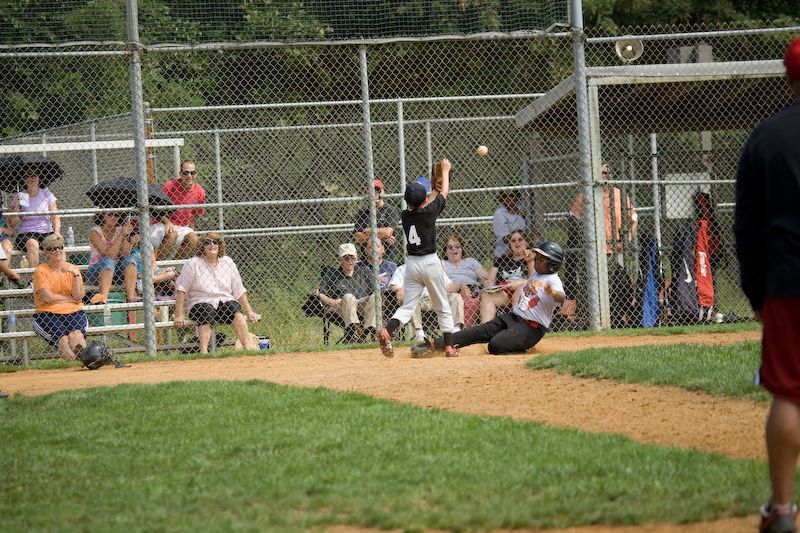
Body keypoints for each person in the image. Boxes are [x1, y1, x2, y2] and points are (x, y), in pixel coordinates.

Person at [734, 36, 800, 533]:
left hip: (789, 279)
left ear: (789, 78)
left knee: (789, 394)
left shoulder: (766, 137)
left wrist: (757, 292)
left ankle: (781, 510)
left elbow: (747, 226)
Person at [412, 241, 565, 357]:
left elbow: (561, 297)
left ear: (552, 265)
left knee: (494, 346)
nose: (537, 260)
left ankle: (522, 347)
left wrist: (552, 292)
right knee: (481, 331)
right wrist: (528, 266)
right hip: (514, 318)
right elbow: (531, 279)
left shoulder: (553, 281)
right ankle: (436, 345)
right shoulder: (538, 273)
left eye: (541, 259)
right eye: (537, 257)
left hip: (531, 329)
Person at [378, 161, 456, 358]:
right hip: (430, 262)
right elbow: (444, 193)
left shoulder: (405, 215)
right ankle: (449, 347)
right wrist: (445, 172)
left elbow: (429, 200)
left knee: (408, 306)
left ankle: (388, 331)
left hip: (412, 265)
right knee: (442, 305)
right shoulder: (429, 213)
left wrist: (433, 187)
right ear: (425, 200)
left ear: (407, 201)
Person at [173, 232, 261, 354]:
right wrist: (179, 314)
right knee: (206, 310)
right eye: (207, 242)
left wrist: (249, 311)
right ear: (202, 246)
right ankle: (204, 352)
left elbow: (239, 289)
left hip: (223, 302)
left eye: (215, 242)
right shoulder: (193, 263)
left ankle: (247, 346)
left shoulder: (227, 262)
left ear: (220, 245)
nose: (212, 245)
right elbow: (181, 289)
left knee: (234, 308)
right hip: (200, 302)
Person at [31, 234, 87, 361]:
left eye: (60, 247)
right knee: (63, 339)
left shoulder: (73, 269)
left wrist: (75, 275)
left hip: (73, 311)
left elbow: (79, 296)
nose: (57, 251)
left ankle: (85, 361)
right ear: (46, 252)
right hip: (48, 312)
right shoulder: (41, 271)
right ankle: (74, 365)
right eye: (52, 248)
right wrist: (70, 299)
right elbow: (48, 298)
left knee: (76, 335)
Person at [315, 242, 376, 343]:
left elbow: (375, 291)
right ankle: (352, 333)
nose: (350, 261)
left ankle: (365, 333)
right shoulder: (332, 274)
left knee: (375, 297)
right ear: (340, 259)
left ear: (356, 258)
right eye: (346, 258)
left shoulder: (364, 271)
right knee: (348, 297)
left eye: (352, 258)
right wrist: (332, 302)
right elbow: (320, 293)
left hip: (361, 305)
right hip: (341, 307)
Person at [388, 262, 464, 342]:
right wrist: (399, 289)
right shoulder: (403, 269)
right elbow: (393, 285)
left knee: (455, 297)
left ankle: (456, 331)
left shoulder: (434, 267)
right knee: (412, 299)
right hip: (419, 299)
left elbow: (448, 285)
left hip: (436, 298)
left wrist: (460, 285)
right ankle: (419, 334)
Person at [150, 160, 204, 260]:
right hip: (162, 223)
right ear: (180, 173)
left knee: (193, 238)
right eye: (186, 173)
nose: (189, 176)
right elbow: (155, 206)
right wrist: (167, 222)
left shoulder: (200, 191)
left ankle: (175, 266)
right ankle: (157, 266)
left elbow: (196, 214)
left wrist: (191, 229)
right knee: (172, 234)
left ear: (196, 174)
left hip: (182, 227)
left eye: (193, 173)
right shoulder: (170, 185)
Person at [8, 166, 61, 267]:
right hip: (26, 233)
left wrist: (57, 232)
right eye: (27, 176)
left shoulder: (46, 194)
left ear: (38, 178)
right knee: (32, 243)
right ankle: (35, 276)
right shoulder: (22, 196)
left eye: (34, 175)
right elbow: (14, 224)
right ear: (24, 179)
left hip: (46, 231)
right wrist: (16, 208)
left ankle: (57, 274)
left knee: (57, 243)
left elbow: (55, 216)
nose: (31, 178)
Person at [85, 212, 140, 304]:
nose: (114, 217)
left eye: (117, 215)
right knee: (108, 261)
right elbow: (108, 254)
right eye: (110, 215)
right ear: (102, 215)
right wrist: (121, 235)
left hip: (117, 272)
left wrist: (126, 236)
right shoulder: (94, 232)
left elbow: (124, 254)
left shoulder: (121, 229)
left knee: (130, 259)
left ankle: (130, 297)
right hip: (97, 271)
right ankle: (103, 298)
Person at [480, 229, 532, 324]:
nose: (517, 243)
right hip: (504, 292)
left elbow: (533, 280)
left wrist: (518, 283)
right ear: (510, 244)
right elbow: (490, 280)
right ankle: (486, 329)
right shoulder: (502, 260)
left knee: (519, 290)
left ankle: (518, 327)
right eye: (513, 241)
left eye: (520, 240)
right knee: (486, 296)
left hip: (523, 291)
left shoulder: (531, 257)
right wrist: (488, 284)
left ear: (526, 242)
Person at [441, 232, 490, 328]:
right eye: (450, 247)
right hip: (453, 290)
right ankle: (465, 331)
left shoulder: (470, 261)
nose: (454, 249)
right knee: (468, 301)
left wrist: (487, 282)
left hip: (473, 290)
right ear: (445, 252)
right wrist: (460, 286)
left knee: (475, 300)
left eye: (457, 246)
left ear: (462, 249)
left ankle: (463, 330)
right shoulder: (442, 264)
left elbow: (485, 276)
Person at [353, 178, 401, 263]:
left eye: (377, 190)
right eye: (371, 191)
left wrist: (367, 231)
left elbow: (388, 232)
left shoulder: (391, 210)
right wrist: (383, 236)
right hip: (366, 261)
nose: (374, 193)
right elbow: (357, 238)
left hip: (387, 259)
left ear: (383, 192)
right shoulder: (363, 213)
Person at [493, 189, 527, 258]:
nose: (508, 198)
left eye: (511, 195)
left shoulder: (522, 210)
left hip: (523, 252)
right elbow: (506, 239)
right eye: (505, 196)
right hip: (505, 255)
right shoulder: (499, 213)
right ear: (502, 199)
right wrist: (530, 237)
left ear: (517, 197)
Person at [0, 212, 24, 287]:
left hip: (2, 240)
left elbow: (12, 233)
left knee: (7, 246)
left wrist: (3, 229)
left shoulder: (3, 215)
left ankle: (1, 276)